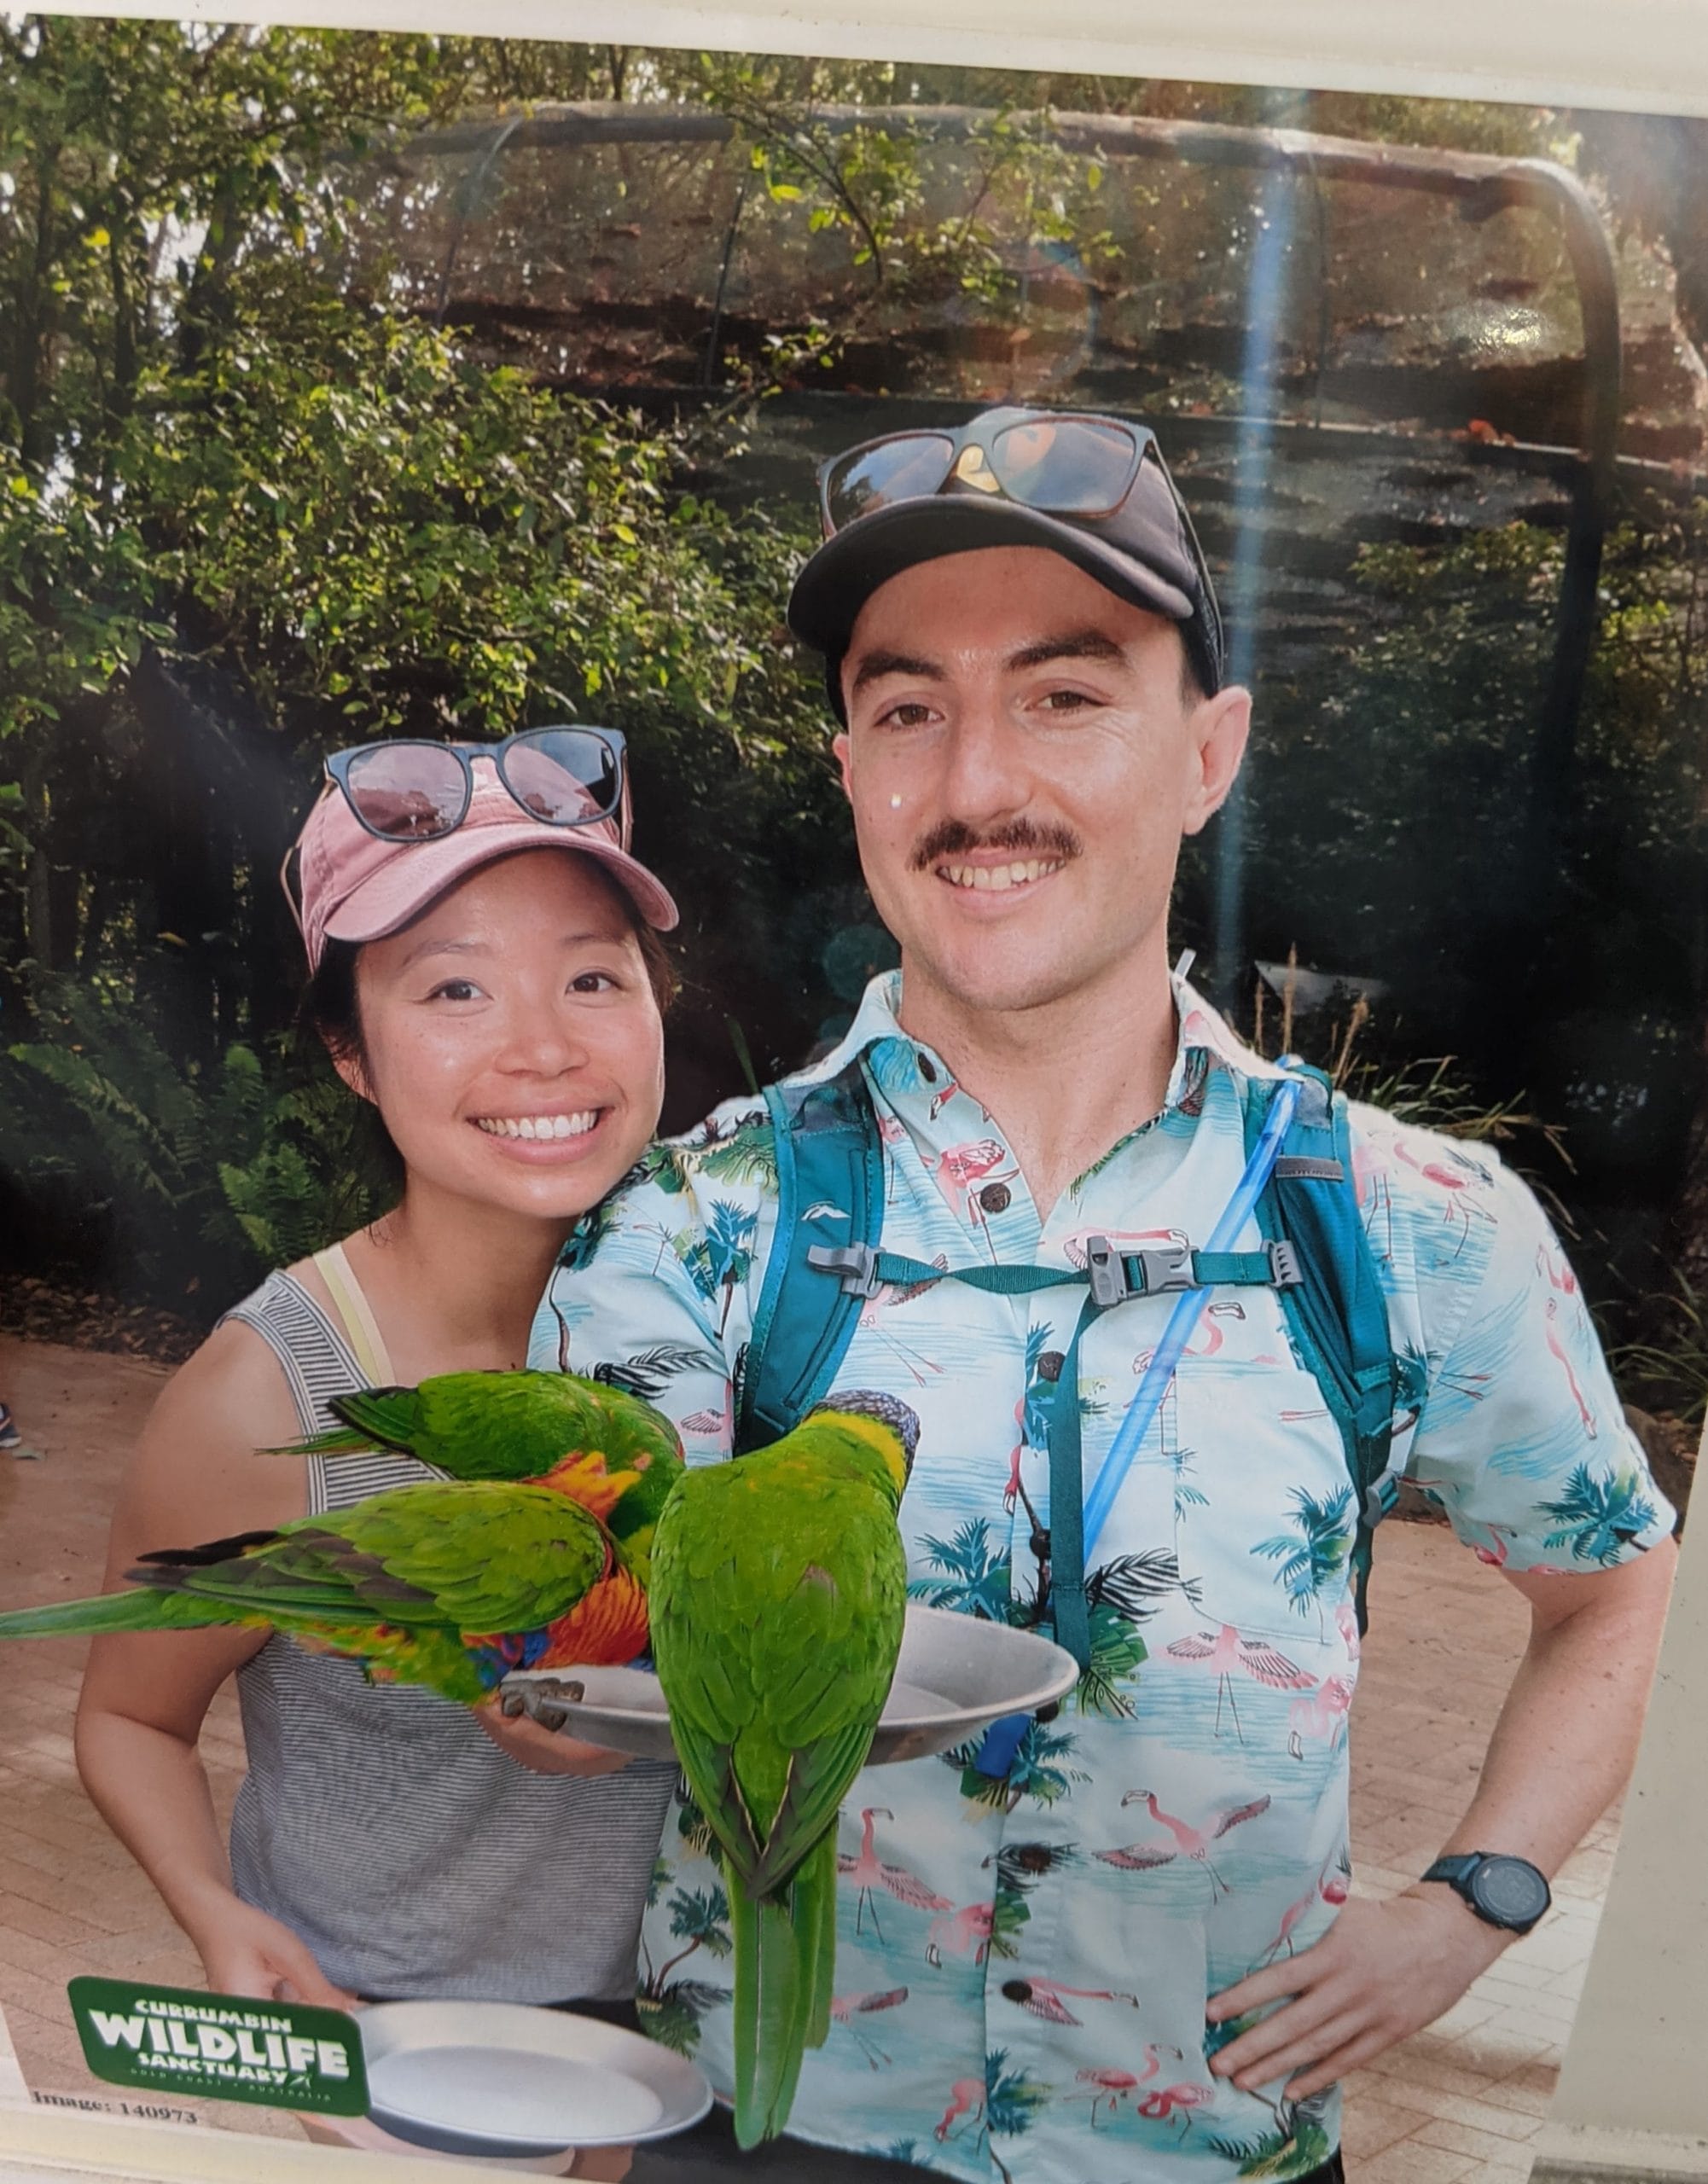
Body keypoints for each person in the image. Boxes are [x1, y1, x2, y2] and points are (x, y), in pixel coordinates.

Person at [535, 410, 1679, 2184]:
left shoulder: (1410, 1225)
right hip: (768, 2126)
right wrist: (530, 1658)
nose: (976, 780)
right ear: (848, 770)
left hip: (1204, 2140)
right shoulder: (693, 1226)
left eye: (1062, 695)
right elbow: (572, 1662)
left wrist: (1476, 1900)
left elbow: (1617, 1590)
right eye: (907, 710)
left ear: (1208, 753)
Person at [73, 730, 680, 2048]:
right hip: (392, 2055)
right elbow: (129, 1716)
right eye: (456, 990)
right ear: (350, 1050)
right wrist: (213, 1912)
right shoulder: (270, 1400)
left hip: (691, 2054)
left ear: (657, 1002)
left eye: (591, 977)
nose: (544, 1049)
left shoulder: (741, 1326)